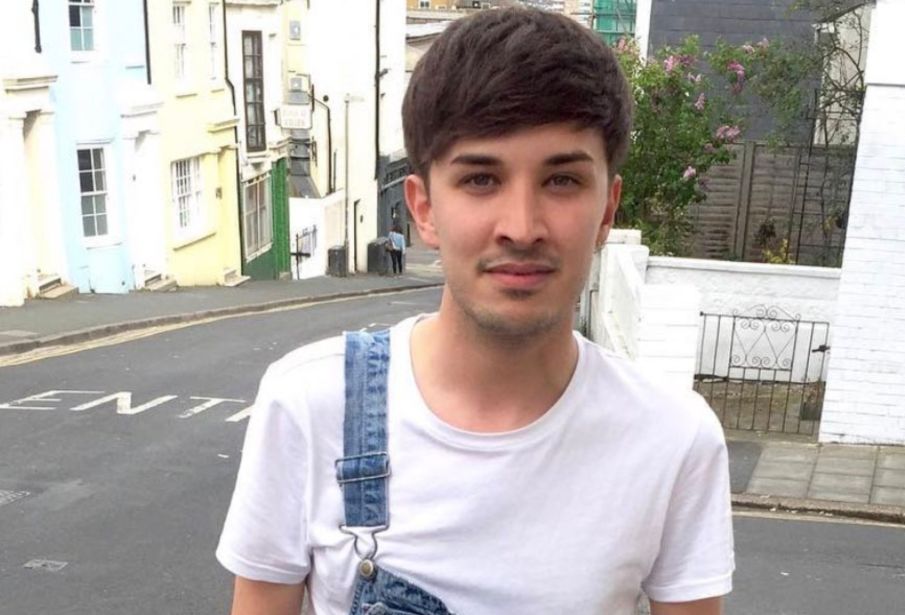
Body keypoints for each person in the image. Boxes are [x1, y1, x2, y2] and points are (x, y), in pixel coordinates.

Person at [216, 8, 733, 615]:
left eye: (562, 181)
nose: (521, 227)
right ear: (424, 208)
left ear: (607, 209)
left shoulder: (673, 437)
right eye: (481, 180)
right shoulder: (309, 403)